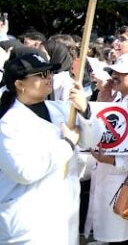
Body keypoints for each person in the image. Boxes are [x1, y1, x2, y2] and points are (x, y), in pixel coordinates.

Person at [0, 52, 101, 244]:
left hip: (63, 214)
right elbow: (24, 171)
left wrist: (85, 110)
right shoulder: (7, 124)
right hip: (27, 218)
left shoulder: (62, 109)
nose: (48, 78)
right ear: (19, 84)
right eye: (40, 75)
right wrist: (67, 145)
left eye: (49, 73)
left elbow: (91, 141)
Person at [85, 52, 128, 245]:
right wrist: (103, 101)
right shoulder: (117, 101)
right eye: (113, 72)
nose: (114, 76)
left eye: (122, 72)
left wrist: (113, 161)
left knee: (125, 238)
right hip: (106, 182)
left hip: (127, 186)